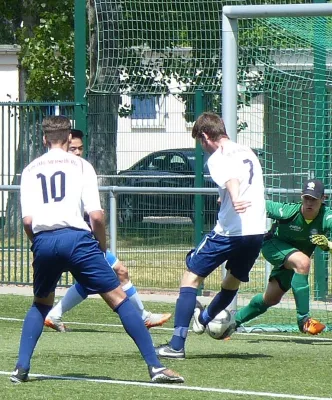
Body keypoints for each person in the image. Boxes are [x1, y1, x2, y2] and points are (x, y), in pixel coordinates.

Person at [10, 116, 183, 384]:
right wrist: (100, 248)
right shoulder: (81, 166)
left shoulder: (31, 170)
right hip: (78, 239)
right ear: (69, 140)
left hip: (44, 240)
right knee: (118, 297)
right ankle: (155, 367)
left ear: (44, 140)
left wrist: (38, 244)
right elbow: (97, 216)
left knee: (40, 303)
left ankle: (20, 369)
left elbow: (28, 221)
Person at [155, 112, 266, 359]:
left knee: (190, 278)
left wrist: (234, 197)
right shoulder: (247, 151)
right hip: (256, 230)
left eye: (200, 142)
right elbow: (245, 181)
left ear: (206, 136)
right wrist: (226, 197)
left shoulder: (218, 157)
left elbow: (232, 179)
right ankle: (203, 318)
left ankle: (176, 345)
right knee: (231, 283)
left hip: (230, 231)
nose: (202, 148)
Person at [44, 129, 171, 332]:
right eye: (73, 148)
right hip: (78, 239)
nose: (77, 152)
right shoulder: (70, 171)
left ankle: (54, 313)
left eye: (80, 149)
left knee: (89, 281)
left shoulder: (80, 170)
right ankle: (143, 317)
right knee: (120, 271)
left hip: (76, 238)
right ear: (64, 145)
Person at [235, 178, 332, 335]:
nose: (309, 203)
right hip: (273, 247)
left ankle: (231, 322)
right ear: (301, 197)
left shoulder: (328, 217)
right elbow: (258, 204)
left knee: (270, 299)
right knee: (304, 262)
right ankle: (304, 320)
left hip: (293, 260)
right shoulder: (289, 211)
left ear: (323, 199)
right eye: (307, 198)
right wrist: (232, 198)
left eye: (314, 199)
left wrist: (329, 245)